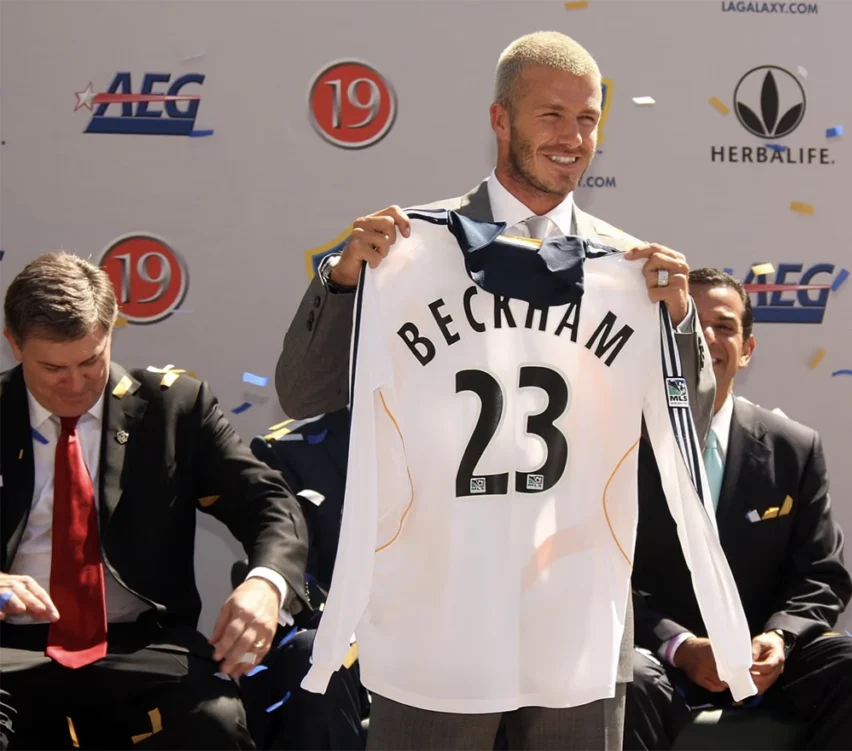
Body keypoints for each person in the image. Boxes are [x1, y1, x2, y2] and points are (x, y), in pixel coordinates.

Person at [275, 30, 717, 751]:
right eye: (551, 115)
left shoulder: (630, 269)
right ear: (499, 120)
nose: (573, 137)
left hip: (574, 623)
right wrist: (347, 281)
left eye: (588, 119)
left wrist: (682, 321)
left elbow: (686, 429)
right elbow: (301, 392)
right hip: (437, 618)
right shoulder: (405, 253)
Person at [0, 252, 310, 750]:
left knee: (215, 722)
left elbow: (270, 504)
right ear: (13, 344)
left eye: (91, 361)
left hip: (143, 643)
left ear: (111, 334)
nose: (76, 386)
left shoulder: (174, 408)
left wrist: (266, 585)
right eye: (53, 368)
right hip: (7, 646)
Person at [626, 268, 852, 751]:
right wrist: (681, 645)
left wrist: (779, 639)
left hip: (766, 669)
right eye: (687, 323)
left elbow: (821, 575)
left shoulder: (793, 447)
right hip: (655, 660)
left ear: (747, 349)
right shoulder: (612, 442)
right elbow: (594, 574)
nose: (705, 337)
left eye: (724, 326)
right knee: (623, 676)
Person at [243, 411, 370, 751]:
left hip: (446, 634)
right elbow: (297, 575)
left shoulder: (469, 441)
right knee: (317, 655)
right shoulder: (288, 450)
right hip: (342, 637)